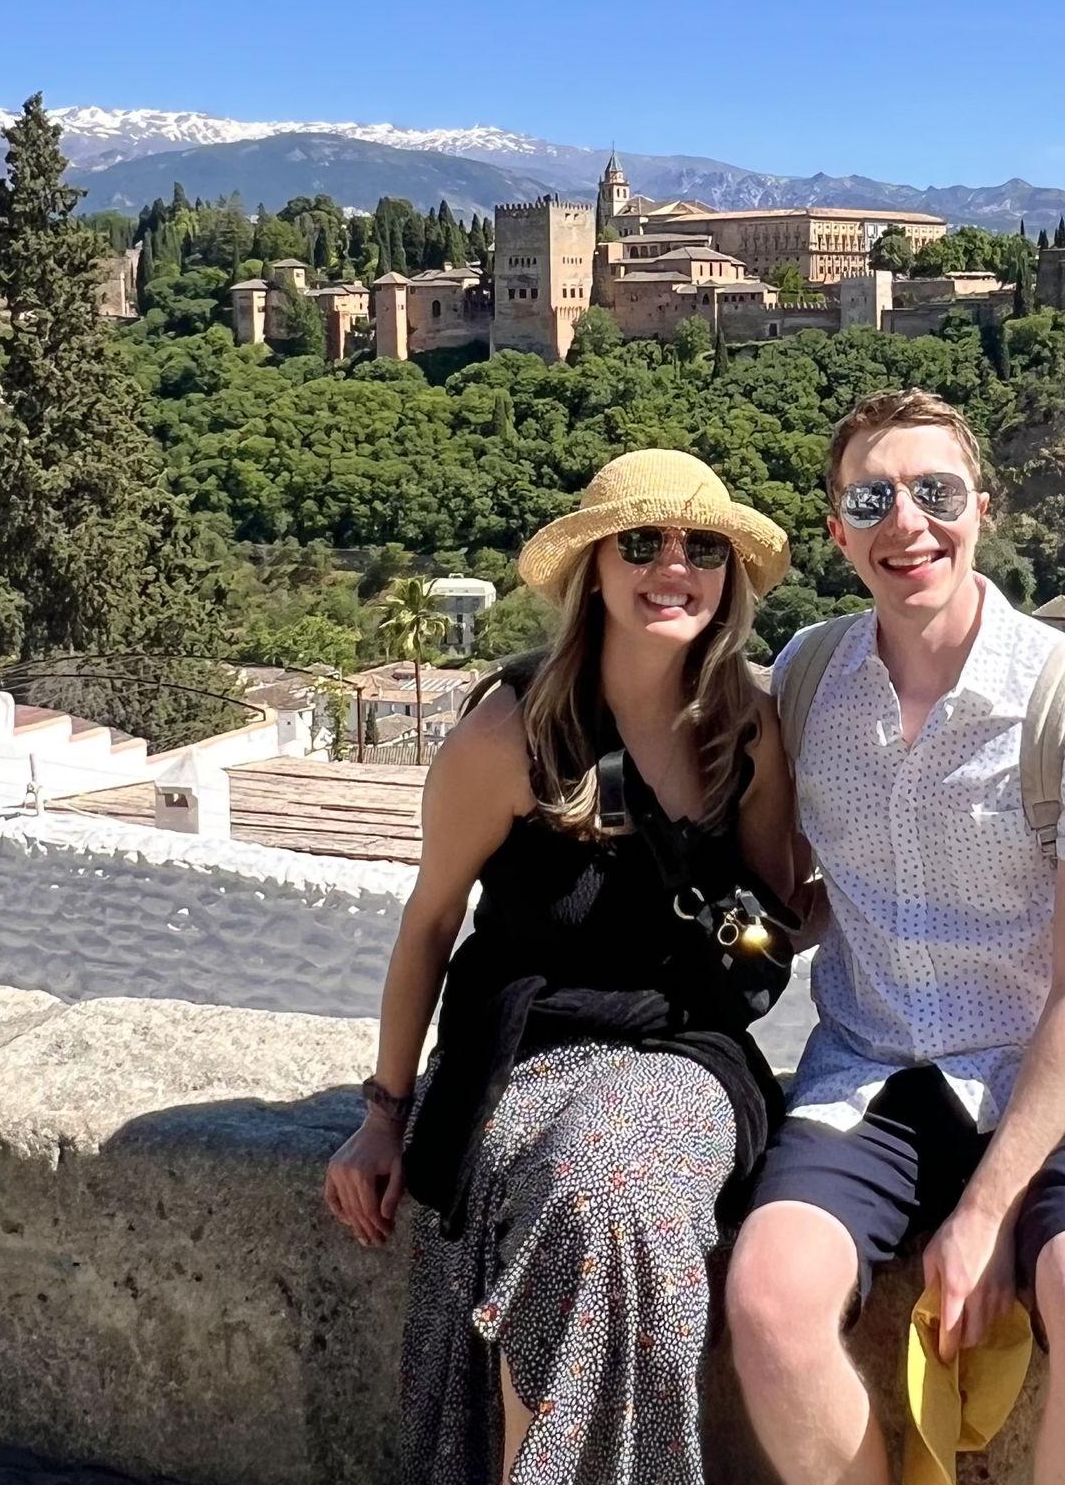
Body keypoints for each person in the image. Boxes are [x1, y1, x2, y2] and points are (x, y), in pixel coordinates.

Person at [726, 388, 1065, 1485]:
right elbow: (809, 885)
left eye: (933, 491)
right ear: (838, 528)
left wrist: (985, 1213)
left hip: (1055, 1077)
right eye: (871, 497)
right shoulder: (806, 680)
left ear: (982, 504)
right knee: (766, 1302)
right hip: (870, 1070)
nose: (906, 523)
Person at [322, 449, 800, 1485]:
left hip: (684, 1056)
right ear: (593, 567)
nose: (672, 566)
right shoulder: (507, 736)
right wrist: (383, 1109)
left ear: (728, 574)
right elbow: (429, 923)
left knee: (606, 1183)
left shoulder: (747, 725)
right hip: (522, 1055)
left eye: (700, 547)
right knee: (574, 1193)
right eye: (641, 542)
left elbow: (775, 911)